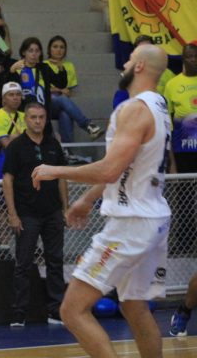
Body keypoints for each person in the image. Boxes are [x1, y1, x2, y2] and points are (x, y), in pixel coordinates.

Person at [31, 43, 171, 358]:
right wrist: (87, 199)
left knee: (72, 310)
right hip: (154, 218)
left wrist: (56, 170)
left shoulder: (134, 110)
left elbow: (109, 170)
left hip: (131, 223)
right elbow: (126, 167)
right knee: (134, 307)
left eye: (130, 59)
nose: (125, 64)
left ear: (138, 67)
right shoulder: (160, 107)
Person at [3, 101, 67, 326]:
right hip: (27, 214)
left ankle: (55, 310)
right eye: (33, 117)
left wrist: (65, 208)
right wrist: (12, 214)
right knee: (23, 263)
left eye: (41, 117)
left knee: (55, 261)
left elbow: (61, 177)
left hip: (52, 212)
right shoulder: (16, 146)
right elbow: (7, 180)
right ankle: (19, 312)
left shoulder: (53, 144)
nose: (38, 121)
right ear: (25, 119)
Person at [163, 41, 197, 259]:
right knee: (184, 199)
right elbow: (167, 124)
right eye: (189, 56)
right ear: (183, 59)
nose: (193, 60)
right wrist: (172, 161)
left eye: (196, 57)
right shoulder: (172, 85)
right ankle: (184, 243)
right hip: (183, 152)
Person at [45, 35, 103, 142]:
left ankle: (67, 148)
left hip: (62, 103)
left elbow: (69, 90)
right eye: (55, 47)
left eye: (62, 47)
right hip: (47, 104)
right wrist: (59, 90)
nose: (59, 50)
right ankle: (87, 124)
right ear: (49, 49)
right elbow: (42, 89)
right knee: (60, 98)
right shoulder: (43, 65)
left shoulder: (69, 65)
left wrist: (65, 92)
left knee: (65, 113)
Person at [8, 37, 67, 136]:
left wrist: (61, 68)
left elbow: (61, 84)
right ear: (23, 52)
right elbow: (7, 92)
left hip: (43, 114)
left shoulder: (44, 68)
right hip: (24, 115)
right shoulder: (17, 68)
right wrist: (11, 71)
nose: (34, 54)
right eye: (30, 51)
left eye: (37, 51)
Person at [0, 82, 25, 178]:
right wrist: (22, 136)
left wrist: (13, 137)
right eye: (11, 95)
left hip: (25, 157)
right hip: (6, 157)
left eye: (18, 94)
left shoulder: (25, 115)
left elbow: (33, 138)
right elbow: (6, 144)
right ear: (4, 99)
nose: (15, 98)